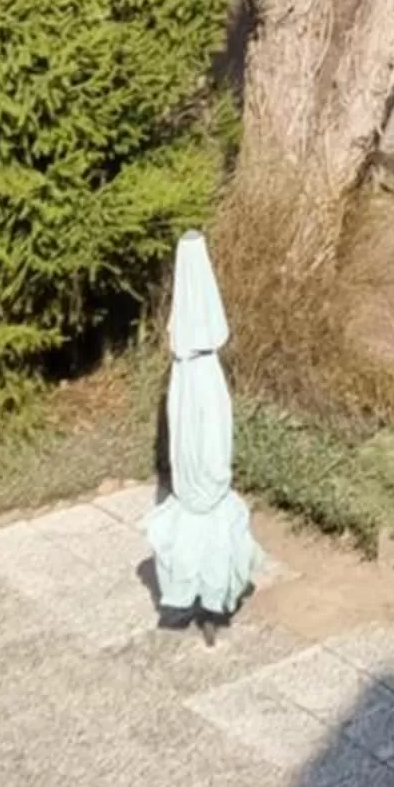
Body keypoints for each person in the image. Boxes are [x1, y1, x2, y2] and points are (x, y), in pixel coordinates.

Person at [145, 231, 263, 626]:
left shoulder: (196, 374)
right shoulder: (196, 376)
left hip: (201, 485)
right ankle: (205, 590)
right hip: (202, 487)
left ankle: (200, 590)